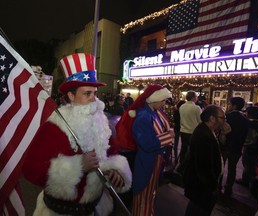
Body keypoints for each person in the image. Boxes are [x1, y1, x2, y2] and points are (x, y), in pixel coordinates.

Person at [22, 53, 132, 216]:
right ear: (71, 95)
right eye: (87, 93)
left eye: (95, 93)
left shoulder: (101, 121)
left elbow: (112, 152)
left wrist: (114, 169)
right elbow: (30, 169)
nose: (93, 99)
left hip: (96, 209)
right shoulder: (54, 126)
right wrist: (78, 166)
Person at [115, 84, 174, 216]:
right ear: (155, 99)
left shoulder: (153, 113)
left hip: (154, 162)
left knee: (150, 195)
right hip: (147, 162)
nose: (164, 103)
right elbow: (146, 144)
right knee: (143, 196)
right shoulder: (143, 116)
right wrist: (167, 137)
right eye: (163, 100)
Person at [183, 105, 226, 216]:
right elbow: (204, 167)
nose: (224, 121)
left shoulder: (208, 130)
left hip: (202, 186)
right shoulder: (203, 135)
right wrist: (212, 186)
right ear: (212, 118)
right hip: (202, 188)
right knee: (198, 211)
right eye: (222, 118)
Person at [235, 106, 258, 187]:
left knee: (248, 164)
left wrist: (242, 143)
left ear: (250, 114)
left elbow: (250, 139)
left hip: (252, 148)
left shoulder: (252, 124)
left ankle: (247, 181)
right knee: (253, 163)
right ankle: (254, 179)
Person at [223, 97, 249, 195]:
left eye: (229, 104)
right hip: (237, 148)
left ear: (234, 106)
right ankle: (229, 187)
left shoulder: (226, 117)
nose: (228, 106)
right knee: (232, 168)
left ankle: (218, 185)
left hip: (225, 146)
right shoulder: (245, 120)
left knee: (220, 166)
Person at [177, 91, 202, 173]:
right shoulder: (196, 108)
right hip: (193, 131)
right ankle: (188, 167)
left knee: (184, 149)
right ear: (193, 98)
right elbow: (200, 121)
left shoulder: (182, 107)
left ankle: (181, 165)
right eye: (196, 97)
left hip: (183, 131)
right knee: (192, 150)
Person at [173, 100, 185, 165]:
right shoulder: (182, 112)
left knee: (176, 143)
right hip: (182, 128)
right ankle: (181, 158)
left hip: (176, 127)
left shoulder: (176, 111)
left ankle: (175, 157)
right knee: (183, 143)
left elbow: (175, 120)